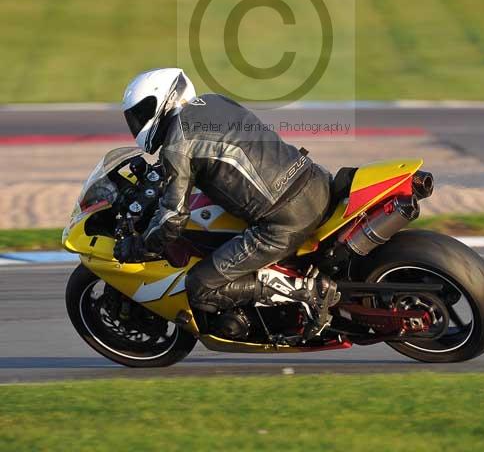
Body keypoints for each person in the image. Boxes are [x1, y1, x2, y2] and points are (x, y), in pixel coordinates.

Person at [115, 67, 339, 337]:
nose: (138, 123)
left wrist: (139, 247)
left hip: (284, 219)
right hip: (315, 180)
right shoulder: (212, 101)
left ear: (162, 100)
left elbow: (172, 220)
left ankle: (308, 292)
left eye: (141, 114)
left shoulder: (177, 145)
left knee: (200, 286)